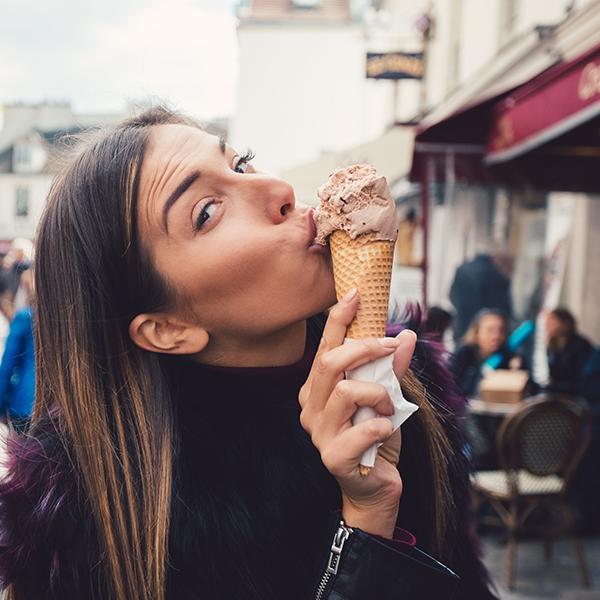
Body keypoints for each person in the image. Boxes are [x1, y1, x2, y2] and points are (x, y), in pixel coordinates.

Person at [0, 108, 497, 599]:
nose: (277, 190)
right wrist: (367, 522)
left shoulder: (409, 386)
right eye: (207, 212)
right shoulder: (87, 518)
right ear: (168, 328)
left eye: (241, 164)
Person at [449, 309, 523, 398]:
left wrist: (516, 372)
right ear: (477, 332)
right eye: (490, 330)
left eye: (501, 330)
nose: (496, 336)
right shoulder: (464, 355)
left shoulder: (510, 358)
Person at [449, 252, 512, 344]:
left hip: (462, 323)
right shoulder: (496, 274)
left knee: (462, 352)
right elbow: (502, 304)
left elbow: (452, 295)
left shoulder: (461, 270)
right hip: (485, 327)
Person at [0, 270, 34, 433]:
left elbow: (7, 365)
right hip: (58, 405)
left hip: (24, 402)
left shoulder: (25, 317)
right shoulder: (65, 319)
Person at [545, 307, 593, 395]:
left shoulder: (581, 345)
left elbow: (583, 380)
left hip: (577, 395)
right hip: (557, 393)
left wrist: (556, 386)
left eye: (552, 321)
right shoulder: (552, 345)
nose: (547, 325)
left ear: (565, 323)